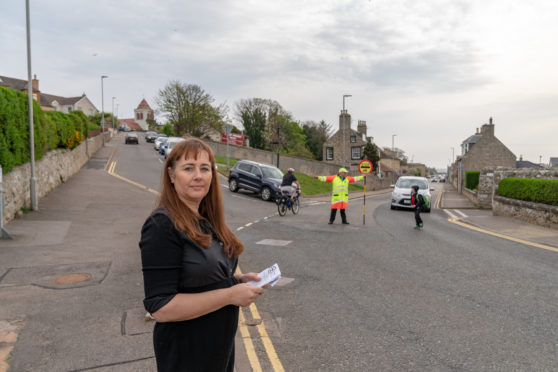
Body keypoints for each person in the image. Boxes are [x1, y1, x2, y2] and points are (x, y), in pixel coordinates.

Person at [139, 137, 265, 371]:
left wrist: (236, 281)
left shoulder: (205, 221)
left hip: (218, 354)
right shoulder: (161, 225)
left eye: (205, 168)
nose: (198, 175)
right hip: (187, 357)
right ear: (171, 175)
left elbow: (197, 278)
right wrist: (229, 295)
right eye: (188, 168)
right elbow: (160, 307)